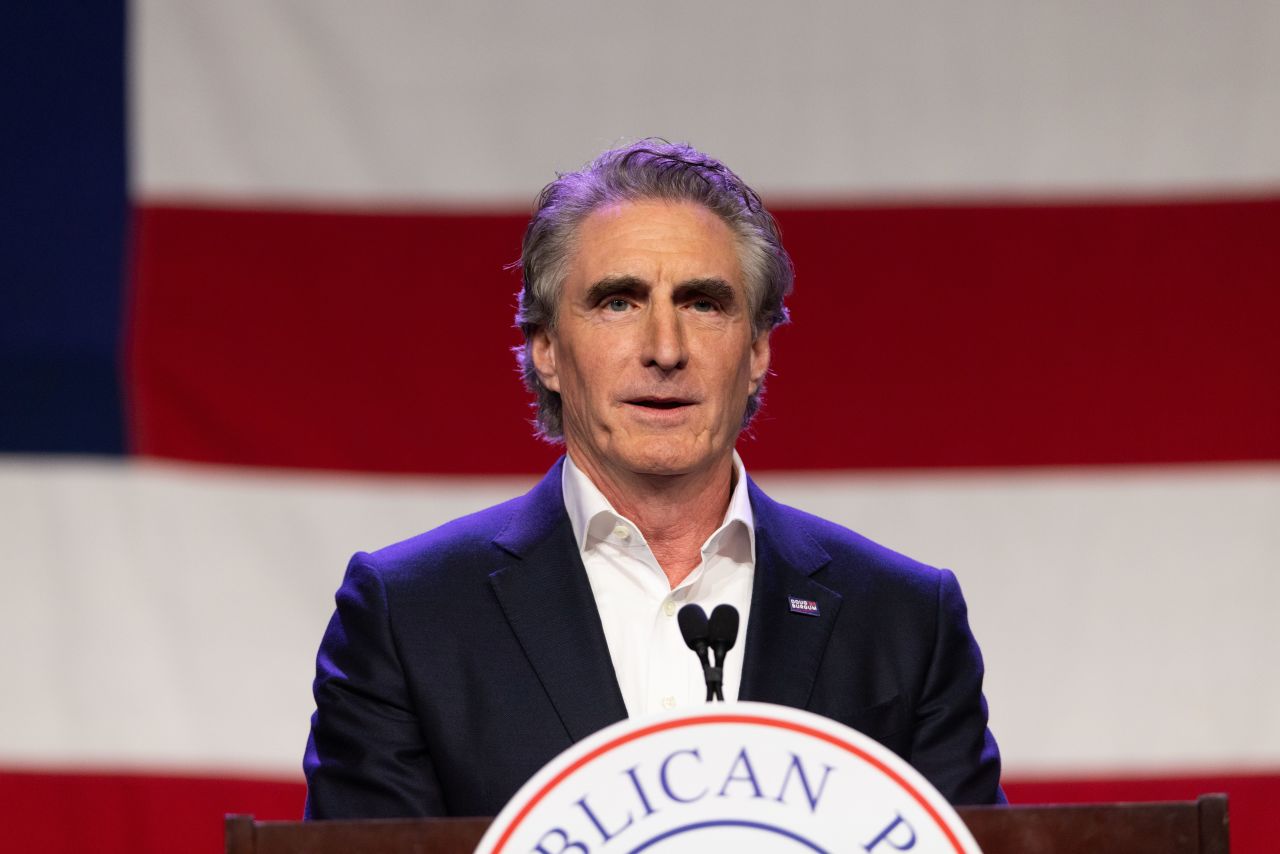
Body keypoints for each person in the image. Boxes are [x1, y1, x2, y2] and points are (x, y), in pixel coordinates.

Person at [303, 140, 1004, 818]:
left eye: (703, 303)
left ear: (757, 350)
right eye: (619, 302)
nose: (664, 350)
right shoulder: (411, 617)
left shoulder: (905, 619)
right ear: (545, 349)